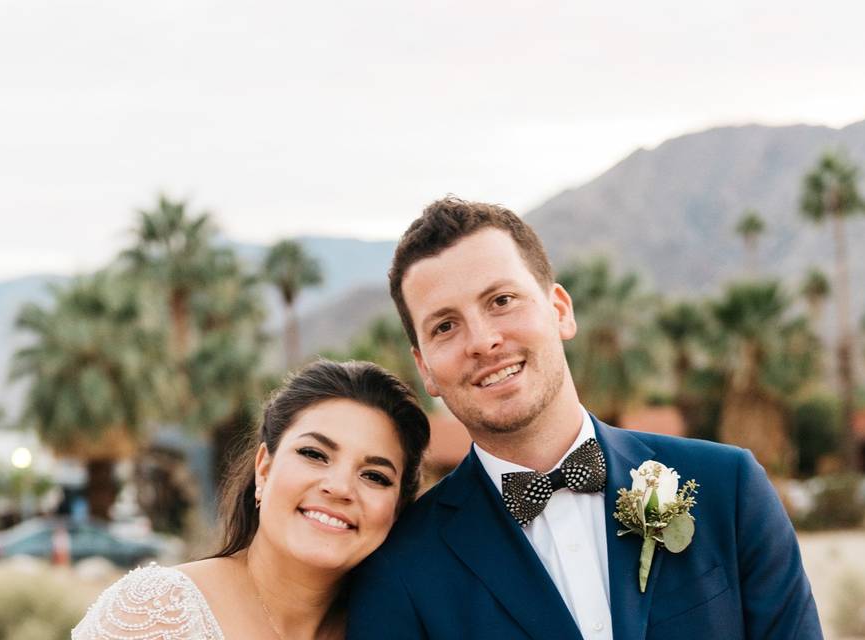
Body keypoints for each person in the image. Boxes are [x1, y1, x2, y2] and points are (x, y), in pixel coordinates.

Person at [346, 197, 823, 639]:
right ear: (425, 367)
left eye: (502, 301)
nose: (483, 341)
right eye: (445, 326)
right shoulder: (402, 570)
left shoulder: (728, 489)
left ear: (561, 311)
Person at [73, 359, 430, 640]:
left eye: (374, 476)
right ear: (263, 469)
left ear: (397, 509)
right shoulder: (155, 615)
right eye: (314, 454)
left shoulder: (401, 628)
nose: (339, 488)